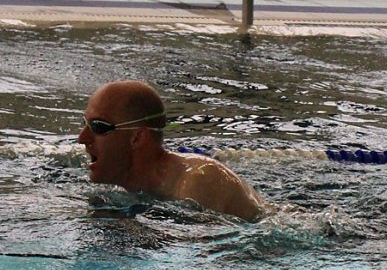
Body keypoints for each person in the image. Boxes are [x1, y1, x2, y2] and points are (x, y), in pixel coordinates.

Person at [77, 80, 268, 222]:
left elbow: (205, 256)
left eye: (99, 127)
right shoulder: (126, 189)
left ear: (137, 137)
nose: (82, 138)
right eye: (84, 123)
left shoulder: (199, 179)